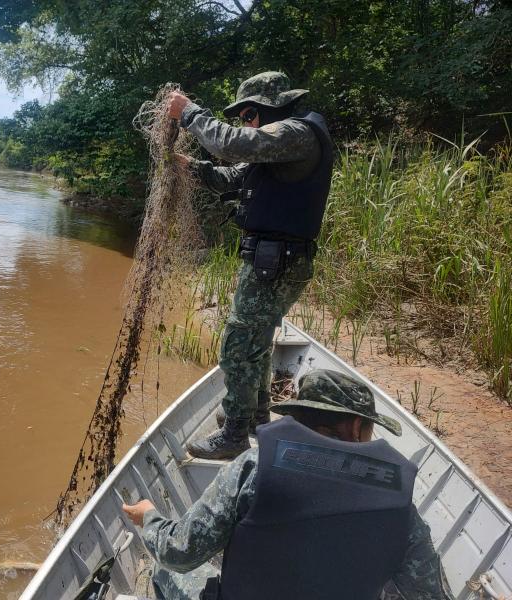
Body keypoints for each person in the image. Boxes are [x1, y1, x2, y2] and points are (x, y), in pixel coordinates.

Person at [123, 369, 454, 600]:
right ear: (356, 427)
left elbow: (179, 553)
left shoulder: (253, 468)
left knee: (164, 569)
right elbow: (431, 595)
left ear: (299, 418)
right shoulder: (398, 506)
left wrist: (149, 518)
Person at [166, 71, 334, 459]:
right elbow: (229, 178)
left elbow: (231, 146)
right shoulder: (276, 151)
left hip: (276, 264)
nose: (244, 122)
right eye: (242, 117)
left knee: (238, 347)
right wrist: (188, 165)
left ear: (268, 107)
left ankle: (234, 435)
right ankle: (255, 418)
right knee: (255, 345)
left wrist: (189, 113)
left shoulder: (295, 134)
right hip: (272, 261)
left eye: (247, 114)